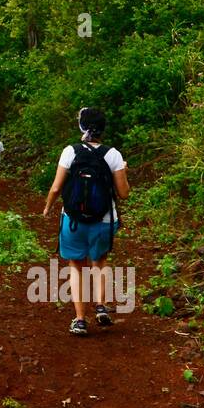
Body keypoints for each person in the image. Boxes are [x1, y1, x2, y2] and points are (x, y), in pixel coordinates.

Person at [41, 107, 130, 337]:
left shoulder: (71, 151)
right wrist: (124, 171)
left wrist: (48, 206)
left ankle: (80, 320)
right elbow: (124, 193)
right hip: (104, 221)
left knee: (76, 267)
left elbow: (56, 187)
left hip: (73, 220)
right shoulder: (114, 155)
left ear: (82, 126)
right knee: (99, 261)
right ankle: (100, 306)